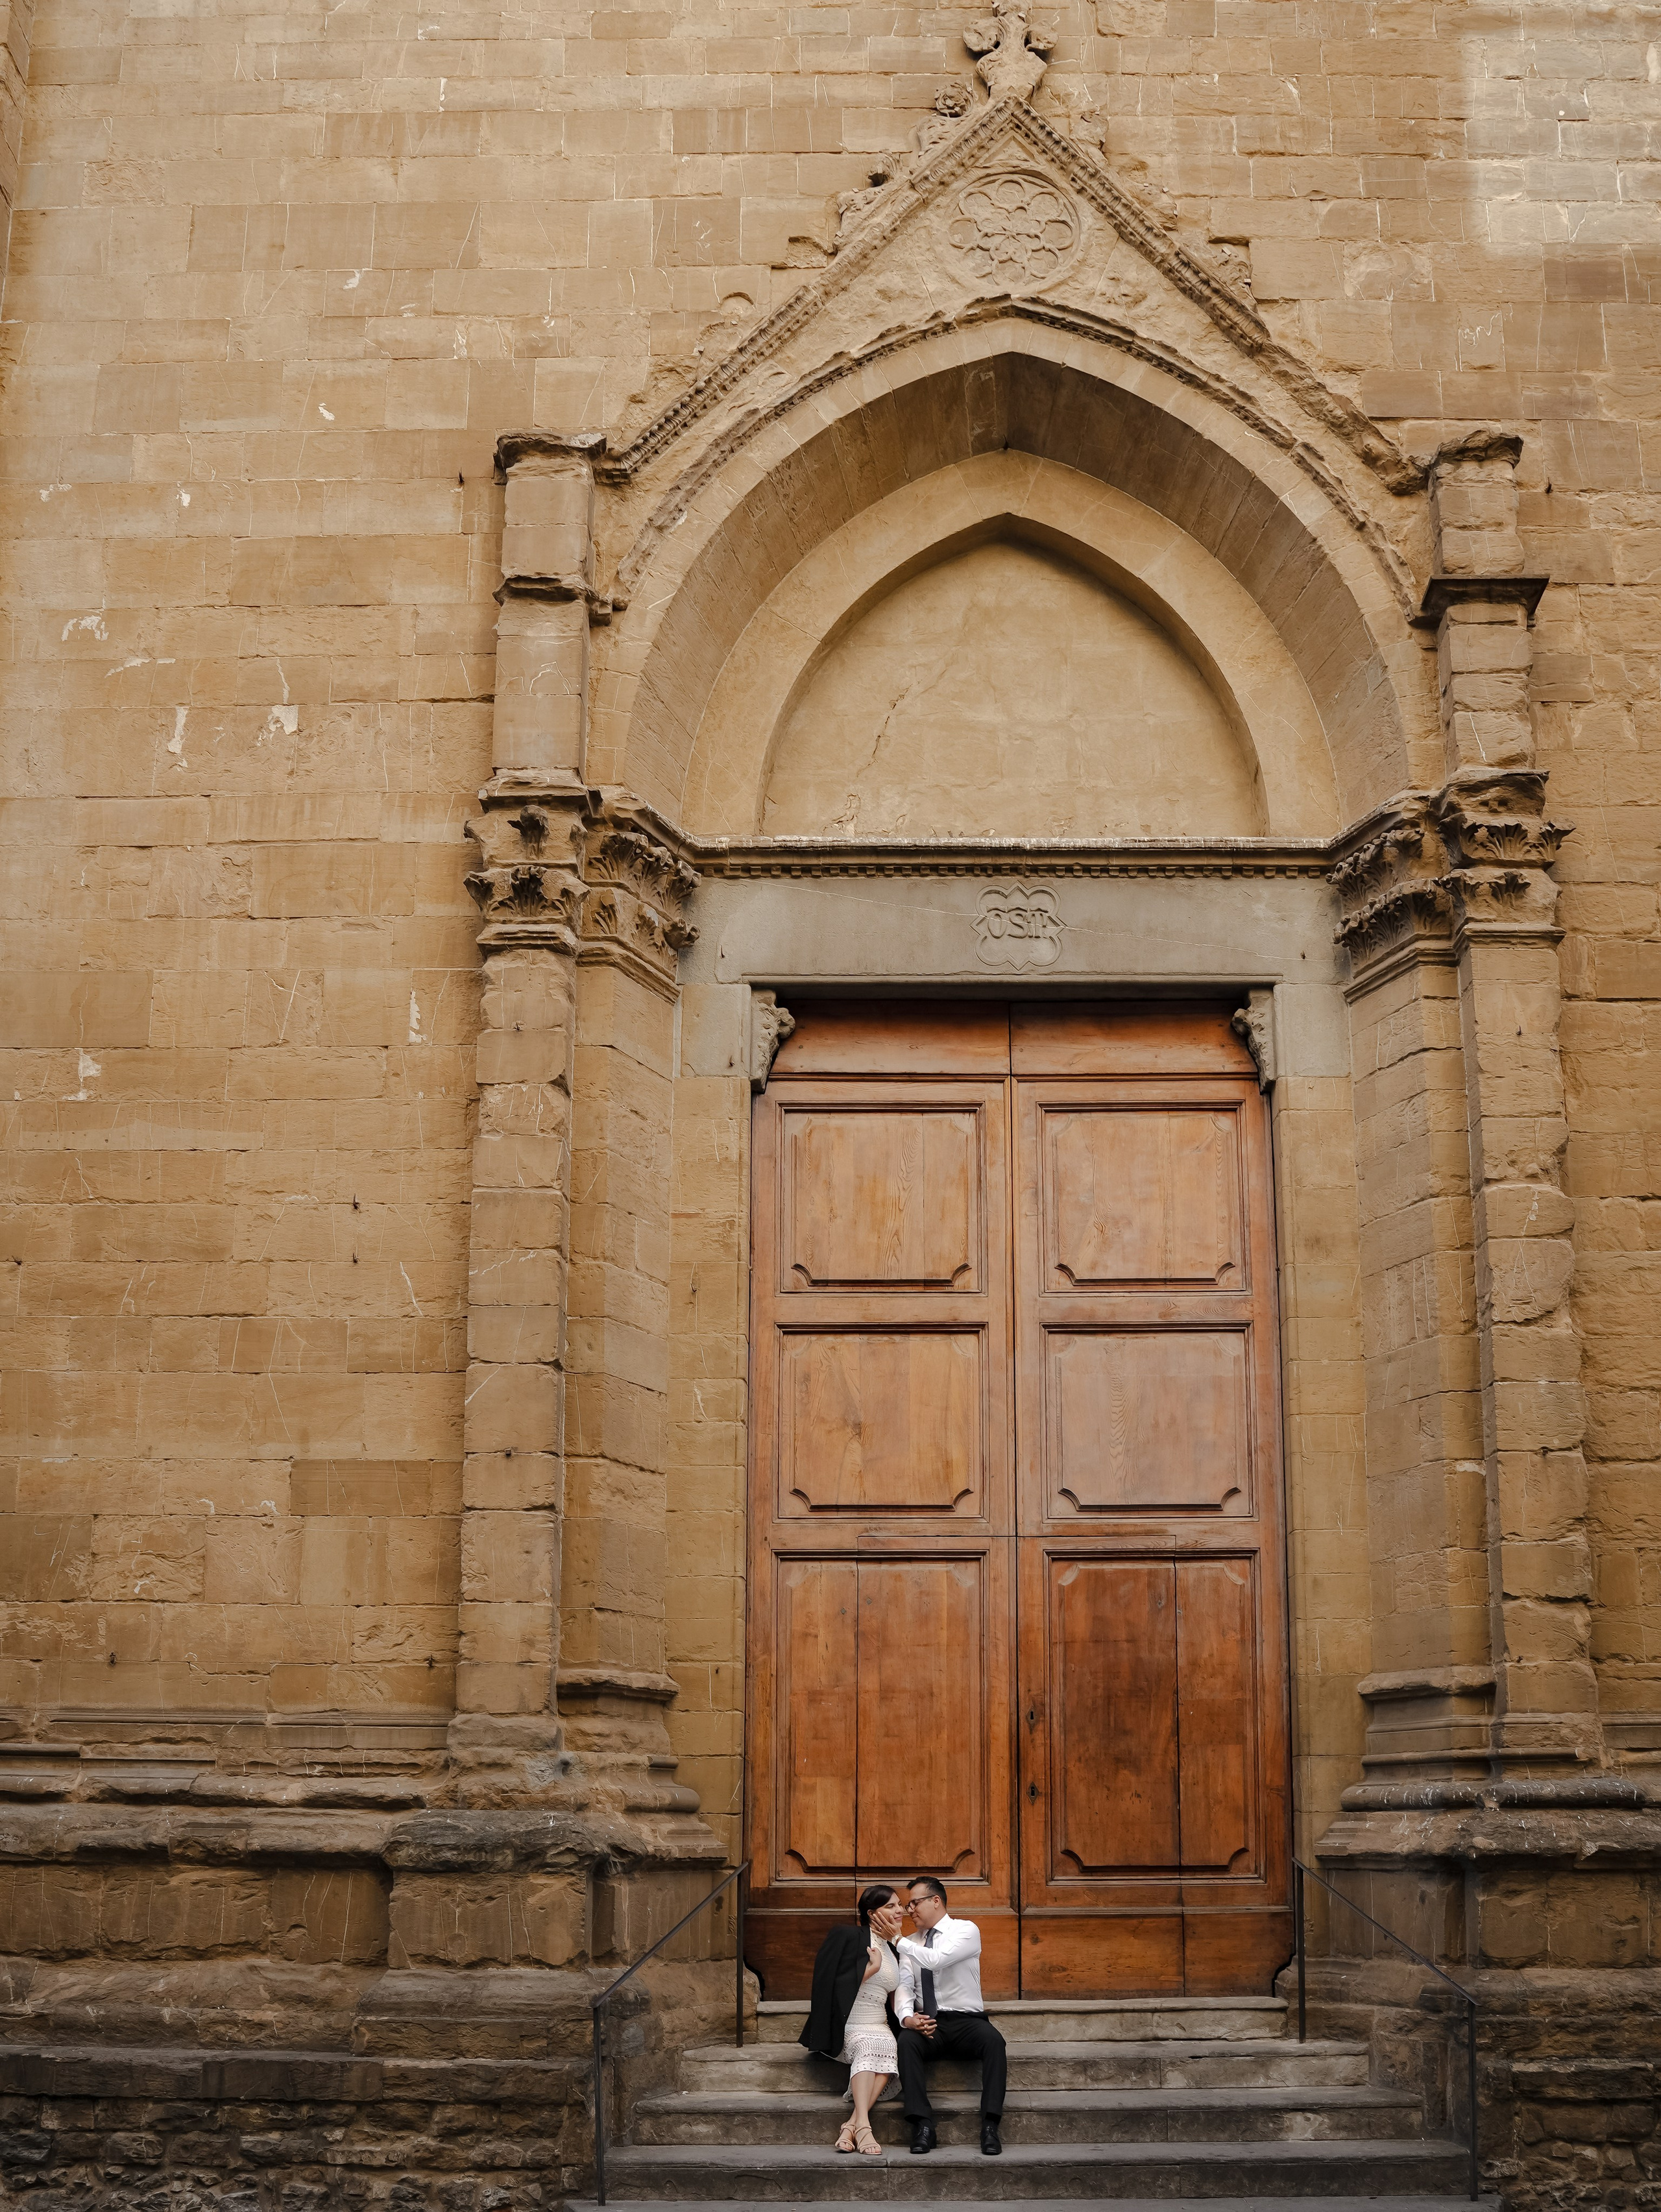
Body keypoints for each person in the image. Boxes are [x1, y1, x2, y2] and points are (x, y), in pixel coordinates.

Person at [893, 1875, 1007, 2157]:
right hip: (930, 2022)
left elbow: (937, 1960)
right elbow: (905, 1985)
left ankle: (991, 2126)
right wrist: (907, 2018)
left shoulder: (965, 1931)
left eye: (915, 1903)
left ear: (936, 1901)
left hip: (967, 2022)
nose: (910, 1911)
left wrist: (896, 1940)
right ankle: (922, 2126)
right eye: (908, 1906)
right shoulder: (909, 1942)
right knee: (906, 2042)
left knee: (994, 2042)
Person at [799, 1883, 905, 2156]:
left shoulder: (896, 1950)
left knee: (888, 2048)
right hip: (849, 2024)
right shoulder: (846, 1935)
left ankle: (851, 2125)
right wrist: (872, 1970)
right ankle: (866, 2128)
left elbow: (899, 1995)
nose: (900, 1910)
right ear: (872, 1913)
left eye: (900, 1905)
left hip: (879, 2024)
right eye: (890, 1906)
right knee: (870, 2047)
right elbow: (827, 1986)